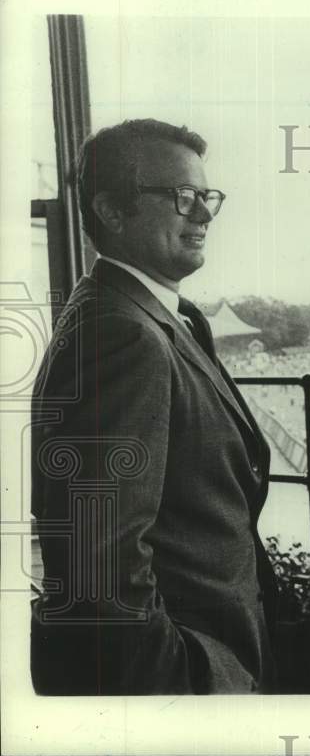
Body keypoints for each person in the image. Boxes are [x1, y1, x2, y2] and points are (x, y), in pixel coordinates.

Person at [31, 119, 276, 694]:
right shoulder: (122, 333)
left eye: (206, 196)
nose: (205, 214)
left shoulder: (154, 317)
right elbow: (100, 569)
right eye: (181, 197)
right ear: (112, 212)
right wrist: (192, 683)